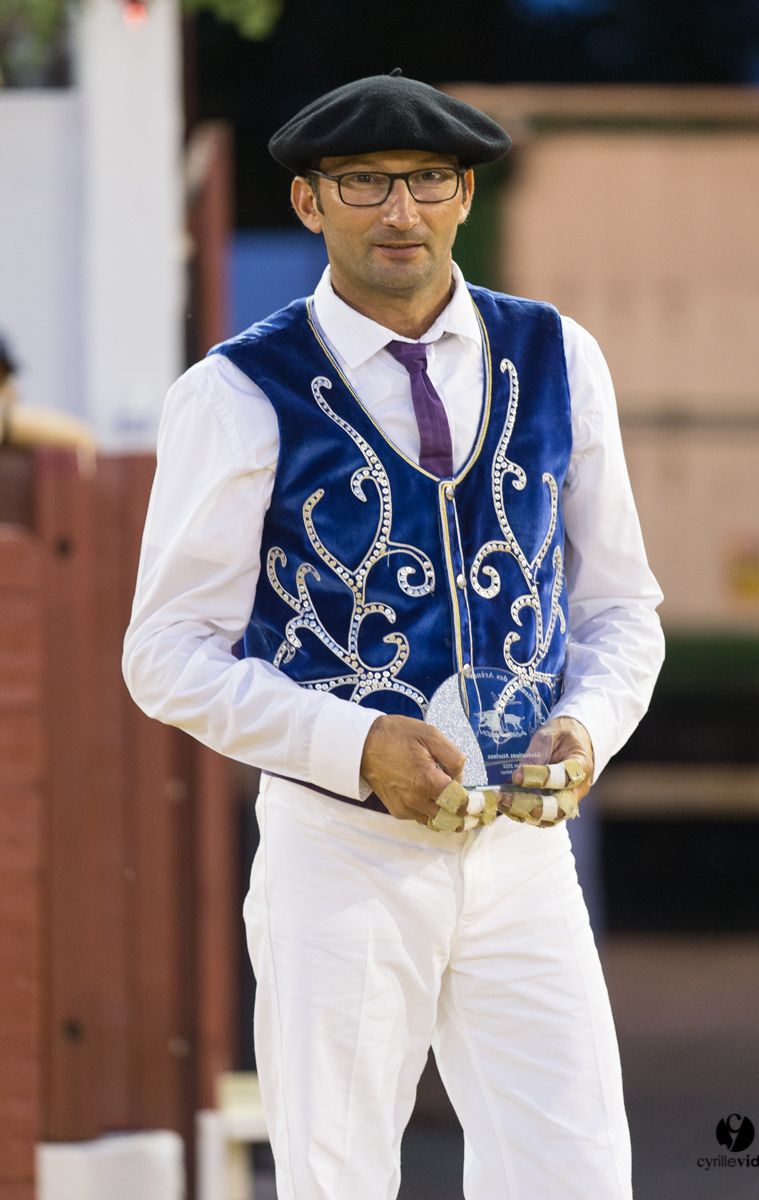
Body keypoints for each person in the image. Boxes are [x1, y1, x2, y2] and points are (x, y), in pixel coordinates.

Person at [123, 72, 664, 1200]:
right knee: (336, 1177)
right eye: (363, 184)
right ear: (311, 204)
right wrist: (349, 742)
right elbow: (165, 651)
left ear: (463, 193)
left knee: (573, 1173)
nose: (398, 211)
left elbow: (618, 608)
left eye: (424, 180)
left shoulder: (556, 355)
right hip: (342, 848)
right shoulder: (235, 391)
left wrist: (584, 725)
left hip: (522, 849)